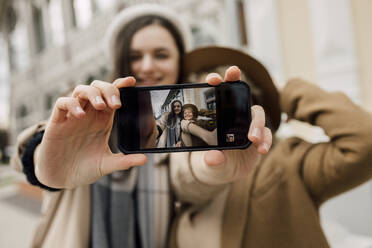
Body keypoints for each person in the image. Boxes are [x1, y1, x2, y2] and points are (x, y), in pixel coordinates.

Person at [10, 4, 271, 248]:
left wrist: (217, 167)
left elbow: (189, 175)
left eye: (161, 54)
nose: (148, 66)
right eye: (135, 56)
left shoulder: (171, 128)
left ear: (179, 61)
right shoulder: (86, 113)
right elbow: (27, 154)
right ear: (121, 62)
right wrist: (45, 158)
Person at [169, 46, 372, 247]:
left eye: (229, 98)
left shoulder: (288, 160)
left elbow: (365, 140)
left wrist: (281, 92)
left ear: (252, 104)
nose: (219, 112)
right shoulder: (175, 179)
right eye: (209, 101)